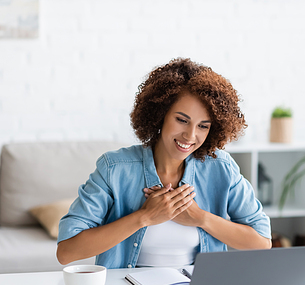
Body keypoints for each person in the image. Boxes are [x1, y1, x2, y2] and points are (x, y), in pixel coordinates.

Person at [56, 58, 272, 269]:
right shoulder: (114, 168)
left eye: (203, 126)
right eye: (182, 120)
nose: (190, 135)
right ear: (159, 115)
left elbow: (262, 243)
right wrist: (145, 217)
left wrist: (200, 218)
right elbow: (66, 252)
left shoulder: (221, 167)